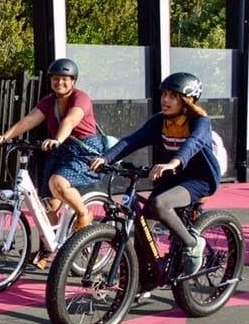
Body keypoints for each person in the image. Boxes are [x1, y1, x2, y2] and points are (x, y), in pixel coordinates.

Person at [90, 72, 220, 275]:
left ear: (188, 100)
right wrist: (106, 158)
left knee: (160, 204)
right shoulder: (160, 121)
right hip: (172, 177)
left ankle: (193, 243)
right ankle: (143, 279)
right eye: (164, 94)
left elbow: (193, 143)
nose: (165, 100)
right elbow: (132, 140)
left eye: (173, 96)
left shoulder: (200, 121)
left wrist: (174, 162)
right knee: (143, 226)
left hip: (198, 178)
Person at [0, 58, 103, 266]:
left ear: (73, 81)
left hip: (83, 150)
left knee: (58, 182)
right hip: (59, 149)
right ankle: (49, 249)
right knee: (48, 204)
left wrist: (57, 139)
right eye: (55, 78)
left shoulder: (81, 98)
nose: (59, 82)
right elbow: (29, 119)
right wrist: (6, 136)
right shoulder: (48, 101)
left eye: (64, 79)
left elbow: (70, 120)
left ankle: (84, 213)